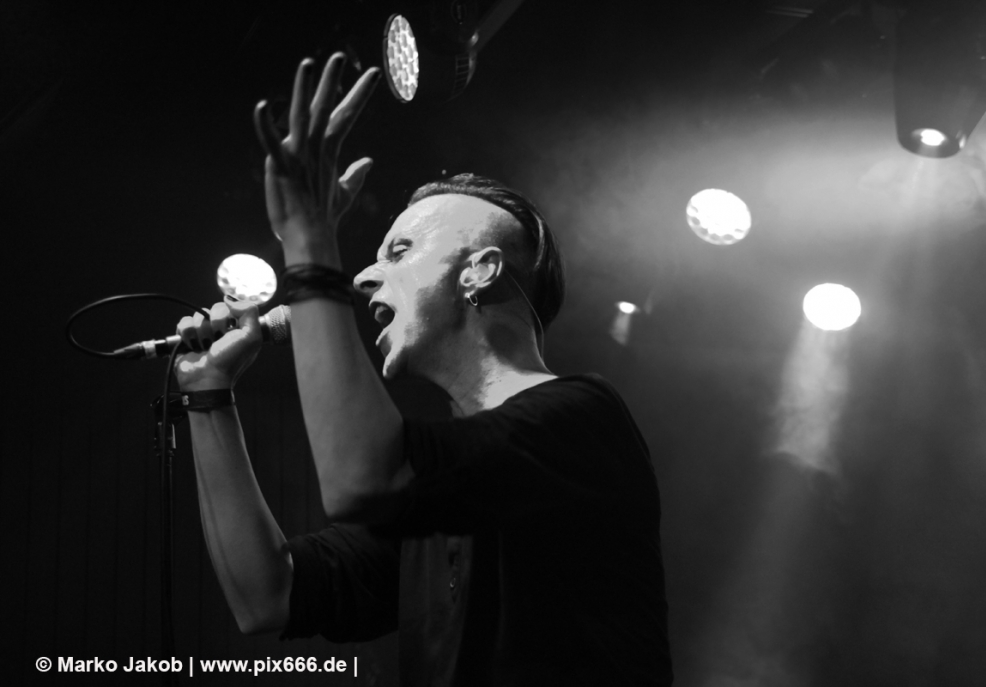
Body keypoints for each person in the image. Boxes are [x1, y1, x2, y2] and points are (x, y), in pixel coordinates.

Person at [173, 53, 672, 686]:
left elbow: (362, 479)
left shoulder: (582, 419)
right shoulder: (441, 493)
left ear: (480, 272)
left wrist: (310, 241)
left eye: (400, 251)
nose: (364, 275)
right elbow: (268, 596)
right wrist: (208, 395)